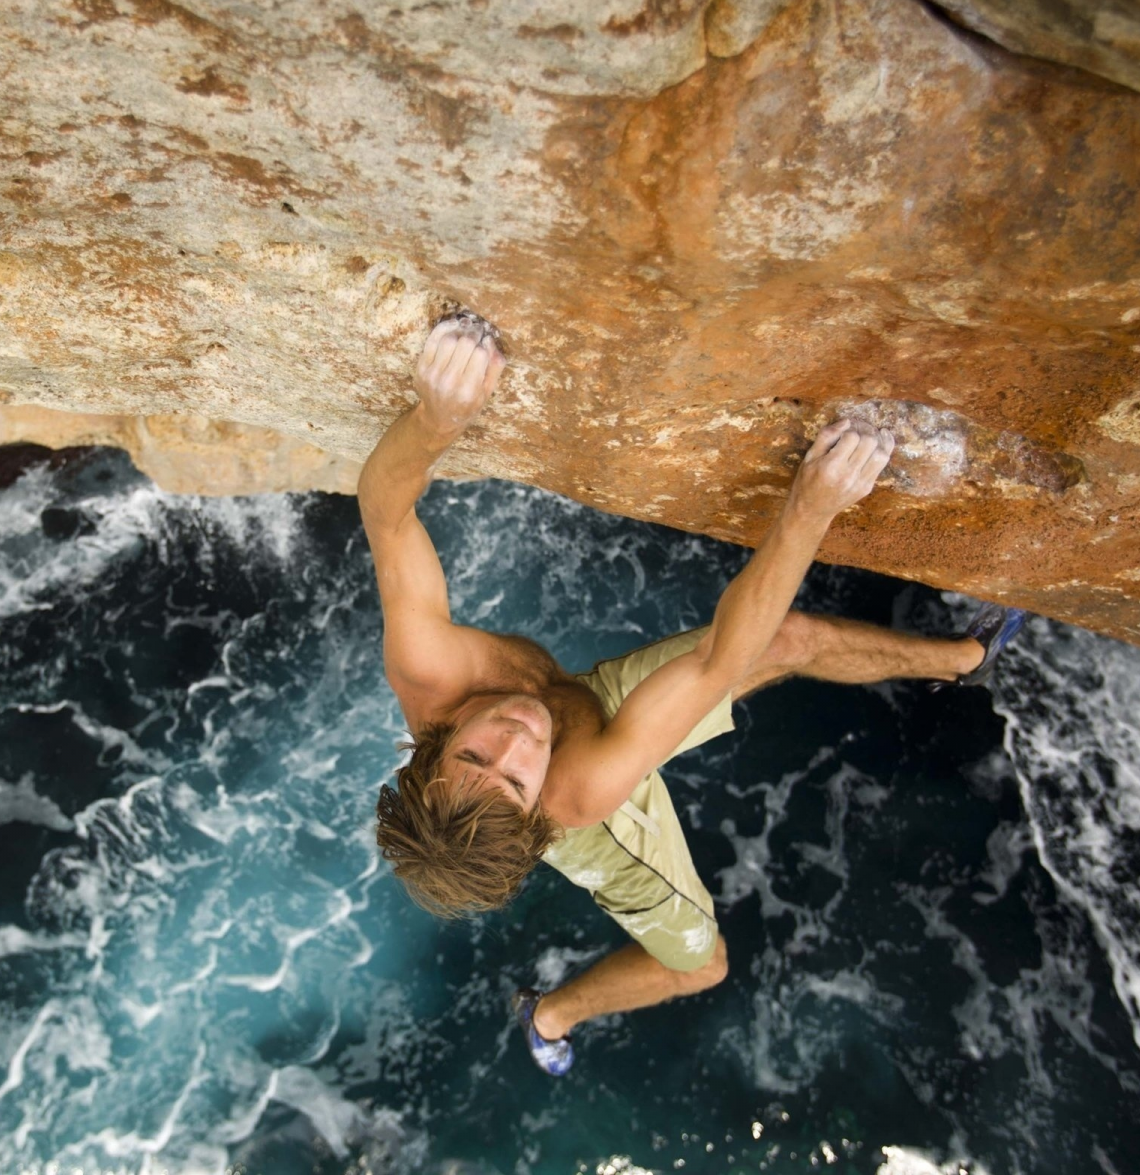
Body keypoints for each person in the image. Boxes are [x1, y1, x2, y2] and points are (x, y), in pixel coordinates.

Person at [363, 311, 1025, 1076]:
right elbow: (718, 662)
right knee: (701, 963)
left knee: (779, 641)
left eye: (478, 752)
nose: (516, 735)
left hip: (581, 708)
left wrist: (436, 415)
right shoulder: (580, 790)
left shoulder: (429, 670)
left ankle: (963, 659)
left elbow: (385, 507)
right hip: (600, 786)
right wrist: (809, 508)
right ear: (533, 805)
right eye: (512, 778)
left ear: (437, 739)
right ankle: (550, 1016)